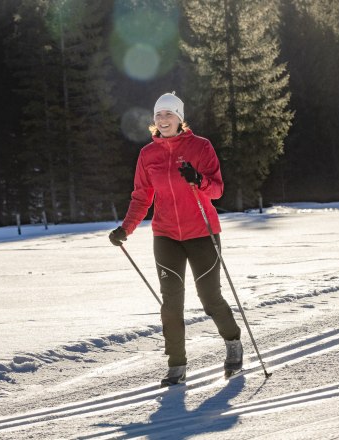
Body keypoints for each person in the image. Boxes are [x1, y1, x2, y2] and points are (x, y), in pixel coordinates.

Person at [109, 92, 242, 386]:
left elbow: (217, 190)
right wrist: (125, 229)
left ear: (180, 118)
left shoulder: (201, 147)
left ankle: (233, 342)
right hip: (166, 235)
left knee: (210, 298)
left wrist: (198, 180)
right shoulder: (148, 155)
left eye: (169, 114)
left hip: (202, 233)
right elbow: (142, 197)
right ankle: (176, 365)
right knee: (171, 304)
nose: (163, 119)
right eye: (158, 115)